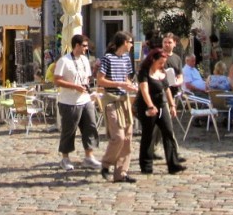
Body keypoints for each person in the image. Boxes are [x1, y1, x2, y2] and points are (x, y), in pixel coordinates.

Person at [53, 33, 101, 172]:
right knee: (69, 130)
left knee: (90, 127)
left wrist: (88, 87)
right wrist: (74, 86)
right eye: (84, 46)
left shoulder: (85, 60)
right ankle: (65, 158)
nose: (86, 49)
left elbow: (86, 78)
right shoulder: (64, 61)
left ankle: (89, 157)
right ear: (77, 46)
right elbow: (57, 80)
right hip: (69, 102)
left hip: (85, 100)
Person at [135, 49, 186, 175]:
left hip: (162, 106)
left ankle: (173, 164)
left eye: (164, 63)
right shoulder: (144, 72)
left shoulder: (162, 72)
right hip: (147, 106)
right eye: (160, 62)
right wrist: (150, 106)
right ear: (153, 60)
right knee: (149, 134)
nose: (162, 65)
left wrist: (172, 105)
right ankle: (146, 165)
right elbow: (144, 90)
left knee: (168, 132)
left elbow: (167, 89)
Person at [96, 31, 137, 183]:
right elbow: (100, 81)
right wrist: (119, 84)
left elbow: (126, 78)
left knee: (127, 138)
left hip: (124, 99)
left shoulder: (126, 58)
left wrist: (130, 87)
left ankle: (121, 173)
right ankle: (106, 164)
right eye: (130, 42)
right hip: (112, 100)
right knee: (118, 136)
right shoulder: (107, 58)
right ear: (124, 42)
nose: (132, 45)